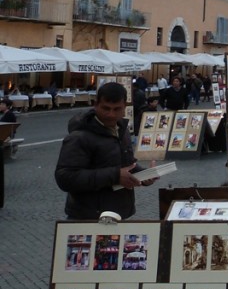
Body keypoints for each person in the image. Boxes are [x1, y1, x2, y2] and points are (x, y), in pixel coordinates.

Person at [54, 82, 154, 220]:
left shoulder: (122, 131)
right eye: (106, 108)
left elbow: (125, 164)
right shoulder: (79, 136)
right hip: (88, 217)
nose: (111, 114)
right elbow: (65, 178)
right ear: (96, 105)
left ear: (125, 107)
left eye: (116, 109)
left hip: (119, 213)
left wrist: (143, 175)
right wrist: (115, 176)